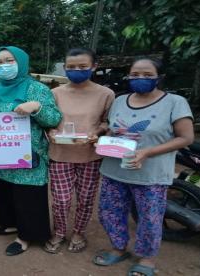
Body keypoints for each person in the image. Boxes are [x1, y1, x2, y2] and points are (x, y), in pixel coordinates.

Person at [93, 57, 194, 276]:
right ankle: (119, 248)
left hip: (151, 174)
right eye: (135, 74)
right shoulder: (120, 100)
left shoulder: (174, 102)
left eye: (148, 75)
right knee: (109, 213)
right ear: (128, 76)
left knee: (150, 218)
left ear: (159, 77)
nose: (140, 78)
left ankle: (147, 258)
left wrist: (147, 151)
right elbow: (113, 130)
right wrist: (104, 141)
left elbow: (185, 137)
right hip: (114, 170)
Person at [0, 46, 62, 256]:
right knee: (6, 190)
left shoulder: (36, 89)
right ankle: (10, 224)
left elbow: (54, 118)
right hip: (3, 153)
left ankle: (26, 236)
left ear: (21, 63)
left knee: (27, 195)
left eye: (9, 60)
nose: (3, 66)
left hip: (29, 155)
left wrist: (36, 107)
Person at [44, 48, 115, 254]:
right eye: (71, 67)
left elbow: (107, 122)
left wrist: (99, 131)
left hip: (90, 155)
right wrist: (52, 131)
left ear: (94, 66)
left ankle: (78, 232)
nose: (77, 70)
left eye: (83, 67)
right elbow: (48, 121)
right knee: (61, 200)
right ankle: (59, 232)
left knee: (86, 198)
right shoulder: (55, 93)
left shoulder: (106, 94)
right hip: (60, 154)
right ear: (64, 68)